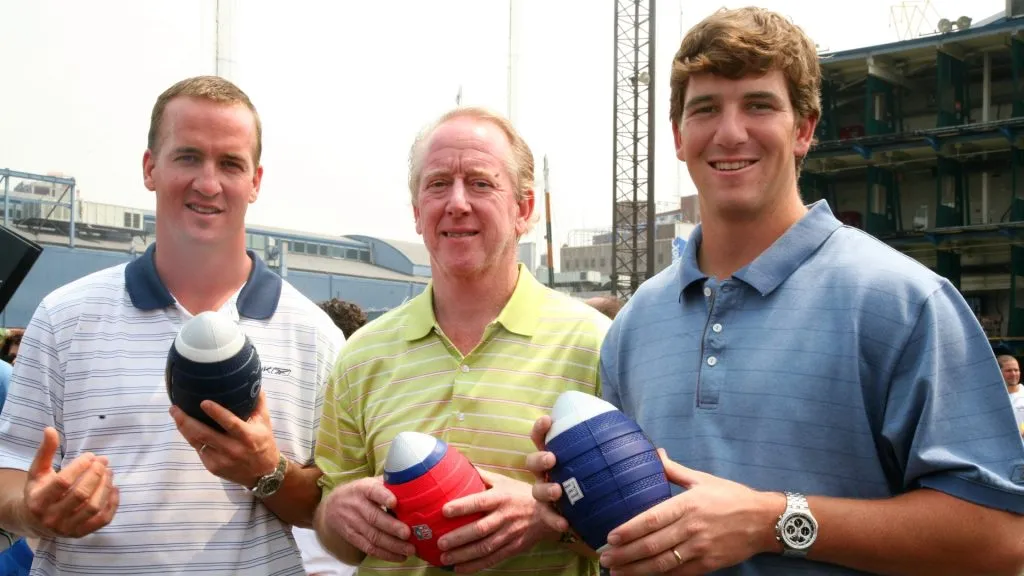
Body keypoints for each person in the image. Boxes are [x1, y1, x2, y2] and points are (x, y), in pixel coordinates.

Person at [527, 7, 1024, 576]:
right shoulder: (637, 323)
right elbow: (639, 534)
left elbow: (1001, 539)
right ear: (678, 137)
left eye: (759, 105)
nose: (730, 132)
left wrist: (771, 521)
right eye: (706, 109)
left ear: (804, 129)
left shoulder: (904, 302)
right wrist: (576, 511)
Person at [0, 76, 345, 575]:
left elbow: (328, 508)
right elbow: (9, 473)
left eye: (230, 163)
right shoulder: (62, 317)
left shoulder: (314, 335)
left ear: (256, 181)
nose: (208, 183)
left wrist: (265, 471)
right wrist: (33, 508)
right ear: (150, 168)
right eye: (188, 157)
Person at [313, 107, 610, 576]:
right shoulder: (360, 356)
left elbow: (638, 524)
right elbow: (335, 534)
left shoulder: (594, 345)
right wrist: (334, 514)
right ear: (416, 212)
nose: (456, 203)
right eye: (437, 184)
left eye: (480, 183)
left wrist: (549, 519)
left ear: (524, 209)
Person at [998, 355, 1024, 435]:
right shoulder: (991, 398)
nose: (1013, 374)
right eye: (1008, 371)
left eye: (1016, 370)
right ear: (998, 372)